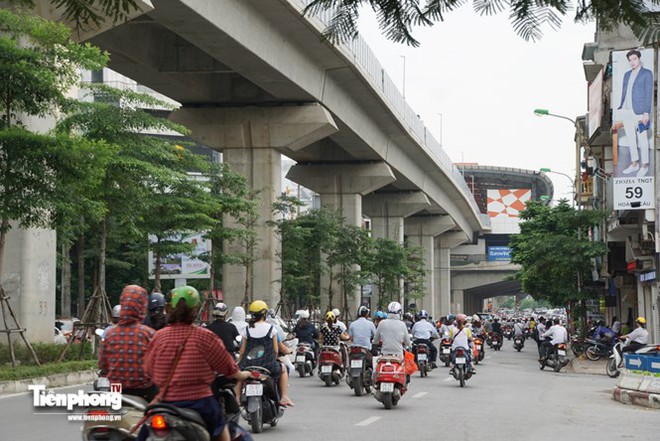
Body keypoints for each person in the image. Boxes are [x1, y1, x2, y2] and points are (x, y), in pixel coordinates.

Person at [143, 286, 250, 441]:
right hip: (201, 403)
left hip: (165, 403)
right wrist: (243, 374)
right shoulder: (205, 337)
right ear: (196, 309)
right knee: (222, 429)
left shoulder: (158, 337)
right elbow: (229, 368)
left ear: (169, 308)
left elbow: (147, 369)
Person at [99, 285, 156, 401]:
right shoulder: (149, 334)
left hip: (116, 390)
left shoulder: (110, 333)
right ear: (143, 306)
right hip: (144, 392)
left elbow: (103, 366)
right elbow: (158, 366)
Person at [237, 300, 294, 407]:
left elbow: (242, 351)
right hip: (268, 366)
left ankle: (237, 398)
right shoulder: (272, 329)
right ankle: (284, 397)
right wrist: (274, 359)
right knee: (283, 368)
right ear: (264, 314)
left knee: (240, 374)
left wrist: (239, 362)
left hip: (249, 365)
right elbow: (276, 350)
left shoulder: (246, 330)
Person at [616, 49, 654, 177]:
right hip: (627, 112)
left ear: (639, 59)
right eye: (630, 60)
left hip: (640, 112)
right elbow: (625, 91)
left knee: (642, 139)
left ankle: (644, 165)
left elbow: (649, 94)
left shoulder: (647, 74)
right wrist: (621, 107)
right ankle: (634, 164)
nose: (632, 62)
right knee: (631, 139)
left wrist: (646, 113)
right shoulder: (627, 75)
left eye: (634, 59)